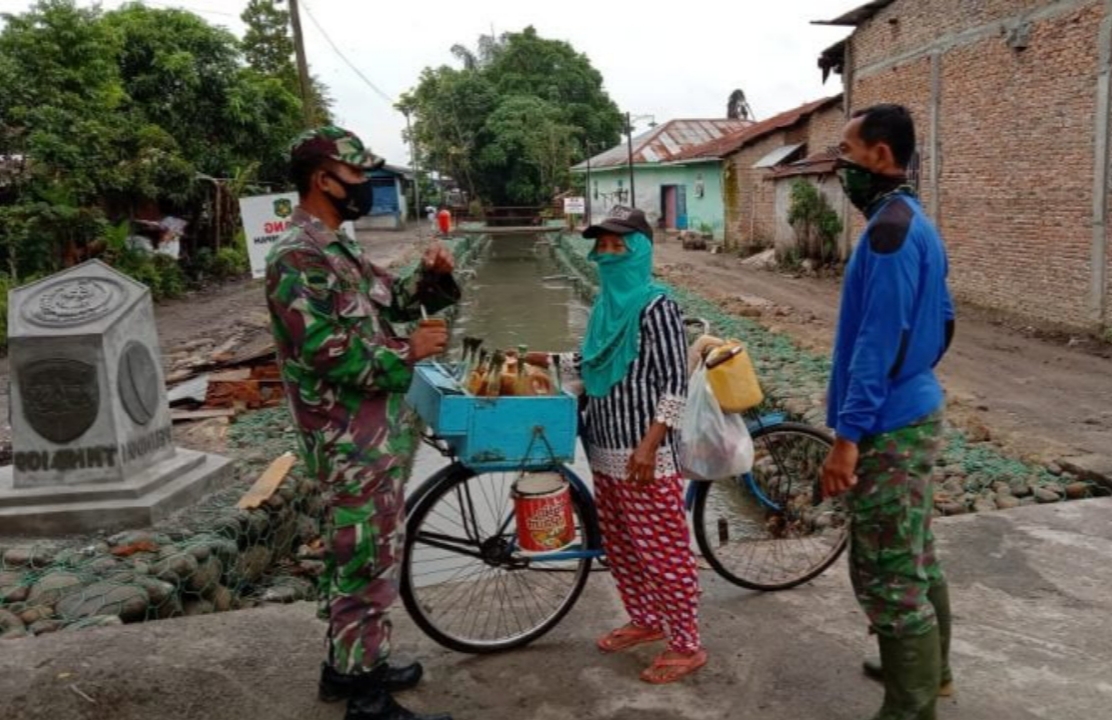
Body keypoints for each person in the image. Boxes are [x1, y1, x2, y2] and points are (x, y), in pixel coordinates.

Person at [266, 126, 459, 720]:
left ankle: (348, 665)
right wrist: (411, 353)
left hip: (371, 435)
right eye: (356, 174)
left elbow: (390, 299)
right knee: (363, 560)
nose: (365, 185)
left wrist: (429, 276)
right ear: (323, 178)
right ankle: (366, 698)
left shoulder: (335, 247)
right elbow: (325, 351)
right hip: (348, 440)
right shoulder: (298, 256)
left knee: (363, 552)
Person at [527, 205, 706, 684]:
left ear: (640, 250)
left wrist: (649, 446)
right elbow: (590, 365)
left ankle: (687, 644)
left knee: (662, 550)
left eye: (617, 246)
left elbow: (673, 385)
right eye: (600, 246)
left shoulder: (657, 307)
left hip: (642, 455)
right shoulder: (605, 308)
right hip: (602, 450)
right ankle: (646, 620)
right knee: (624, 548)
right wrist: (533, 358)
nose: (607, 255)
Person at [821, 105, 956, 720]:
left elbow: (877, 346)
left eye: (846, 152)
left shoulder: (888, 233)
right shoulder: (912, 220)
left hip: (890, 426)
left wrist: (849, 435)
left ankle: (911, 707)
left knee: (886, 569)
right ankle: (934, 673)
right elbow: (945, 320)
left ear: (879, 154)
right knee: (916, 551)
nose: (839, 165)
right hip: (916, 407)